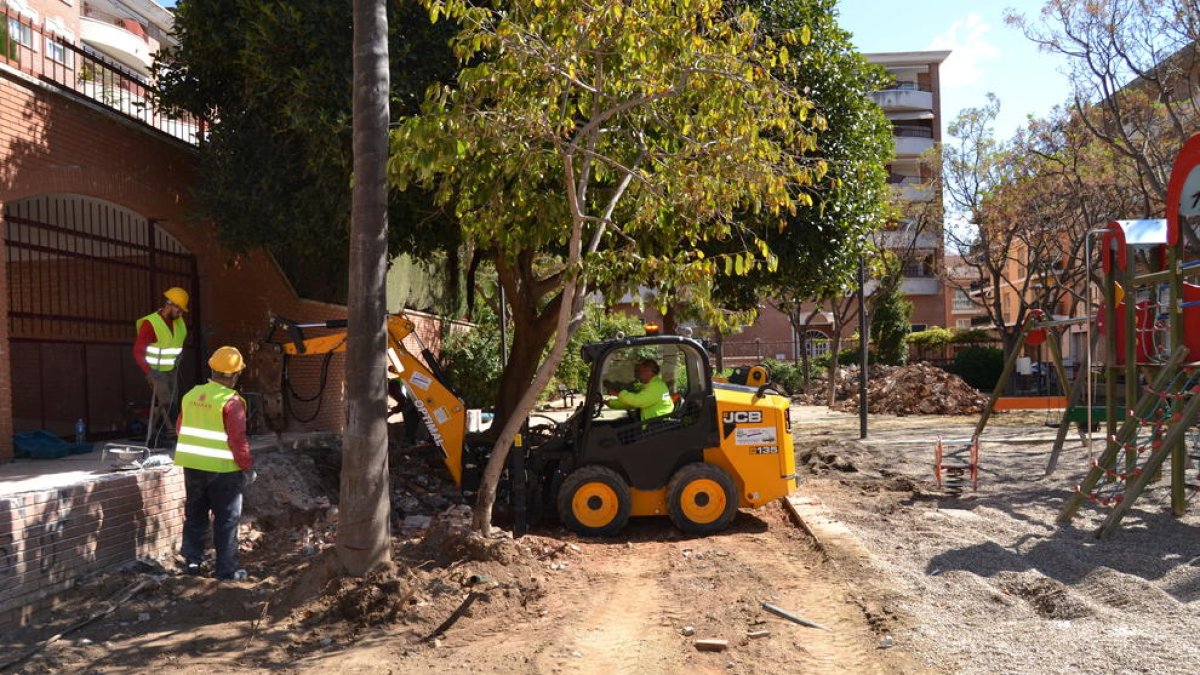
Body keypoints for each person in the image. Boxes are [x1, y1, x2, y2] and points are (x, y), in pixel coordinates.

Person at [174, 346, 254, 581]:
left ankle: (192, 563)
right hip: (224, 471)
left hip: (193, 467)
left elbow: (180, 428)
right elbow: (238, 439)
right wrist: (246, 467)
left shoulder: (191, 395)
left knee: (195, 514)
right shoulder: (232, 402)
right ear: (236, 375)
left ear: (212, 369)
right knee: (227, 520)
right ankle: (226, 571)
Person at [134, 287, 189, 440]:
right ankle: (168, 432)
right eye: (179, 310)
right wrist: (150, 372)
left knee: (173, 401)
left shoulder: (178, 322)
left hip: (171, 368)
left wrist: (178, 355)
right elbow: (138, 352)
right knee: (166, 400)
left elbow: (177, 341)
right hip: (155, 370)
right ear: (170, 305)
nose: (181, 313)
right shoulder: (150, 324)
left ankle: (164, 431)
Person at [606, 358, 674, 421]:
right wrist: (608, 403)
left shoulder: (656, 386)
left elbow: (637, 401)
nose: (637, 374)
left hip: (656, 426)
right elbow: (631, 403)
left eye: (639, 371)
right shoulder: (648, 385)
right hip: (652, 423)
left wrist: (617, 394)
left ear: (648, 371)